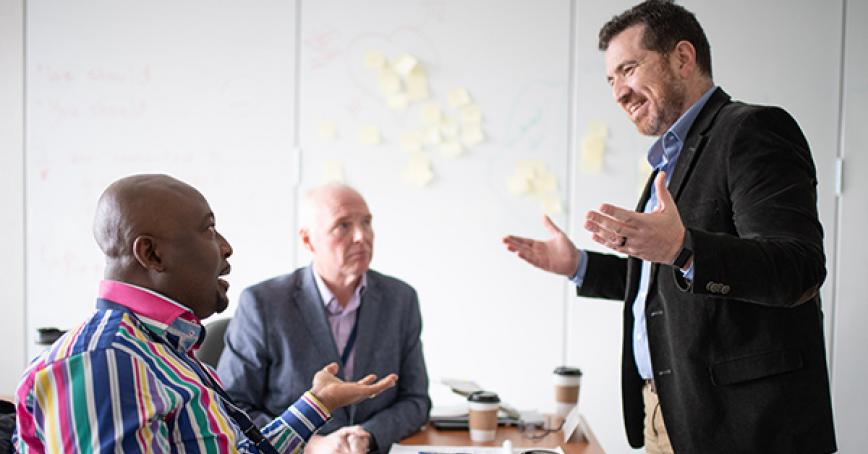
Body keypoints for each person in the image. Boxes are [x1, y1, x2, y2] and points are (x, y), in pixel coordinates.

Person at [503, 1, 836, 453]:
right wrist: (580, 266)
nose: (619, 92)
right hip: (668, 413)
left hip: (744, 427)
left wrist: (683, 247)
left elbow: (797, 270)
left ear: (682, 58)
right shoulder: (670, 160)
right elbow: (666, 284)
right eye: (611, 79)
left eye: (629, 69)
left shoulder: (752, 131)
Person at [15, 174, 397, 453]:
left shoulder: (165, 348)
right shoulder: (106, 362)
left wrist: (318, 402)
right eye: (209, 229)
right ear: (152, 254)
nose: (227, 248)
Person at [217, 183, 430, 454]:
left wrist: (367, 434)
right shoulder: (263, 303)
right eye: (343, 226)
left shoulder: (400, 299)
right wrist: (310, 444)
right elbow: (230, 407)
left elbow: (416, 400)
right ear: (308, 240)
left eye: (366, 222)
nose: (361, 237)